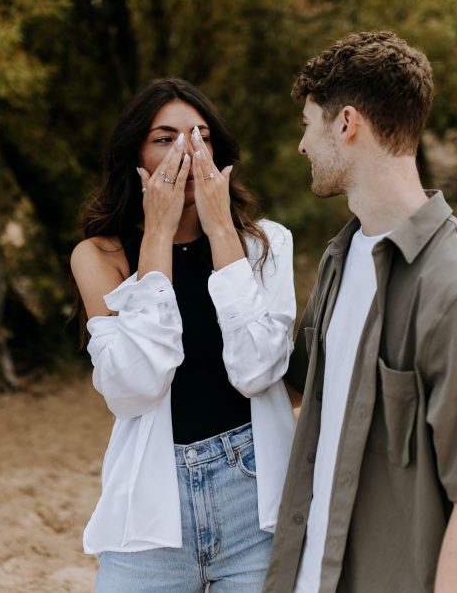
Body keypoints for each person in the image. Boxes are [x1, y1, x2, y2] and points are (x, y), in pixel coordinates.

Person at [262, 32, 457, 593]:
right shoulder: (339, 260)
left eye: (308, 125)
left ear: (346, 124)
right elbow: (290, 388)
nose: (302, 145)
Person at [71, 78, 297, 592]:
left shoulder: (267, 245)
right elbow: (133, 388)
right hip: (151, 514)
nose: (187, 151)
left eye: (200, 136)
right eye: (165, 138)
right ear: (137, 154)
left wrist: (221, 231)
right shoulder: (101, 255)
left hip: (255, 503)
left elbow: (257, 371)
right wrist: (156, 236)